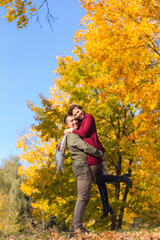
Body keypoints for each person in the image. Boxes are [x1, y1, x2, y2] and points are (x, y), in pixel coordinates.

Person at [64, 105, 132, 219]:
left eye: (78, 111)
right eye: (75, 115)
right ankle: (106, 207)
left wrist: (70, 130)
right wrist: (63, 139)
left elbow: (84, 133)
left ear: (81, 109)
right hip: (92, 151)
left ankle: (122, 179)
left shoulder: (88, 117)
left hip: (93, 150)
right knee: (100, 181)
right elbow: (76, 133)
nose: (78, 115)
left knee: (97, 179)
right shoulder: (80, 122)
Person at [64, 114, 107, 236]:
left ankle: (74, 228)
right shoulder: (72, 135)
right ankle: (77, 228)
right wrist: (100, 154)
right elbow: (85, 147)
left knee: (84, 197)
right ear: (67, 125)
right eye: (71, 121)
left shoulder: (72, 134)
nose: (75, 122)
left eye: (75, 120)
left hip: (81, 168)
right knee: (82, 197)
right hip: (82, 168)